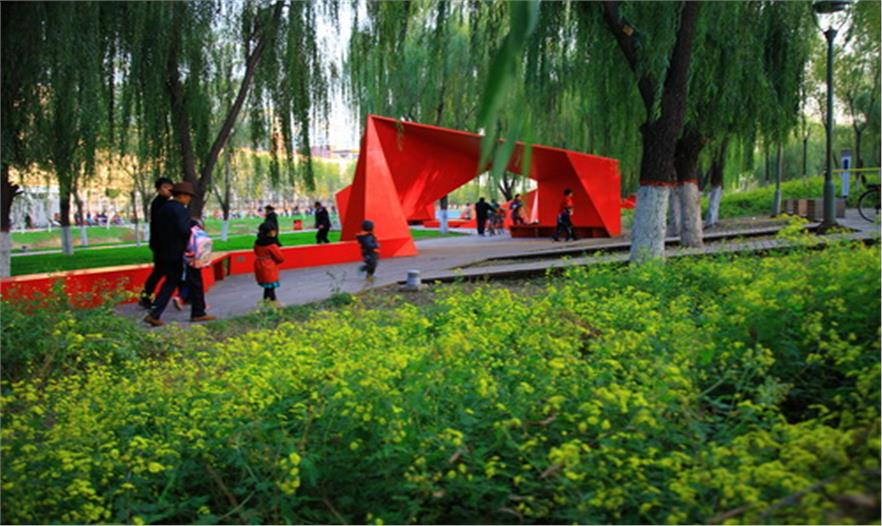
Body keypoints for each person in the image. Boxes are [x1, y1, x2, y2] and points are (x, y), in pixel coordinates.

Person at [144, 182, 215, 326]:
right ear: (182, 195)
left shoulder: (165, 208)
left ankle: (154, 314)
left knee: (170, 282)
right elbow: (183, 230)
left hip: (165, 251)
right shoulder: (180, 209)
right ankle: (198, 313)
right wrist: (193, 225)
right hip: (180, 252)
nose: (189, 199)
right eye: (189, 196)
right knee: (195, 281)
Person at [139, 177, 174, 308]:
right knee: (160, 271)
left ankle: (147, 297)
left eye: (170, 186)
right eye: (165, 187)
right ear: (159, 189)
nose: (169, 189)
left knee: (164, 271)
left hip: (163, 244)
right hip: (161, 244)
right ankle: (146, 297)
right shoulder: (159, 203)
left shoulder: (165, 202)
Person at [253, 221, 285, 307]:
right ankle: (273, 303)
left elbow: (255, 251)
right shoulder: (271, 245)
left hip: (259, 265)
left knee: (267, 287)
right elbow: (280, 257)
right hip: (269, 266)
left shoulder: (257, 242)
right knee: (271, 286)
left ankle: (266, 302)